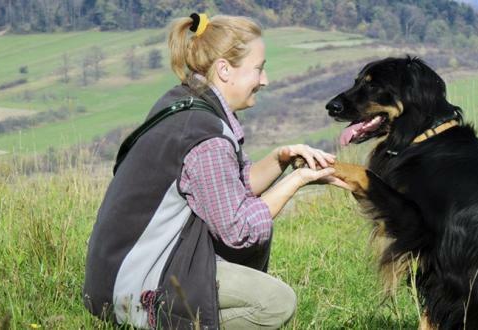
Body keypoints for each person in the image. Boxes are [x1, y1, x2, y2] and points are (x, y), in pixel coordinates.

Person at [83, 12, 349, 329]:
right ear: (224, 69)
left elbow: (228, 190)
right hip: (138, 289)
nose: (265, 80)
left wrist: (281, 158)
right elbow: (239, 231)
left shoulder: (186, 102)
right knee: (275, 303)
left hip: (116, 276)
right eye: (259, 69)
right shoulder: (207, 139)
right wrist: (298, 179)